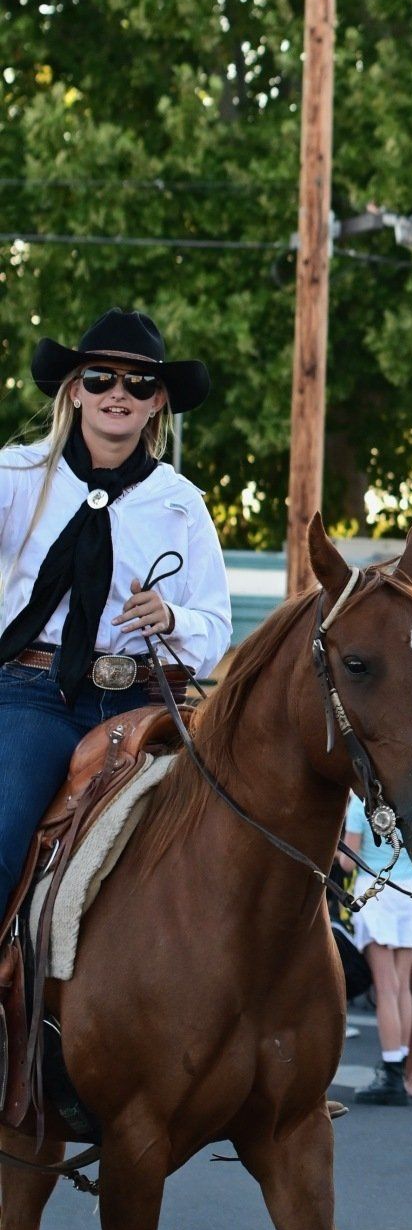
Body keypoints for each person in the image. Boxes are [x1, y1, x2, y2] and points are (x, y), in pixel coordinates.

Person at [0, 308, 227, 894]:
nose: (118, 393)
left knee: (226, 837)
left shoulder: (182, 504)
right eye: (100, 378)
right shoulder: (17, 475)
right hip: (35, 696)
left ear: (158, 403)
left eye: (139, 383)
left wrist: (172, 616)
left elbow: (215, 626)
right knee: (2, 834)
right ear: (75, 391)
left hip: (144, 701)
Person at [346, 790, 412, 1103]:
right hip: (408, 892)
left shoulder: (361, 807)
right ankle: (399, 1070)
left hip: (374, 892)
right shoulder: (411, 803)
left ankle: (390, 1069)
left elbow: (349, 862)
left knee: (386, 988)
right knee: (401, 987)